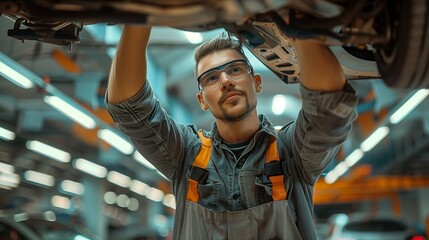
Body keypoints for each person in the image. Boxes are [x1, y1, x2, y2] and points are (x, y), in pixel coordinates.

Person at [106, 25, 358, 239]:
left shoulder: (291, 152)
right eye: (211, 78)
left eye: (235, 69)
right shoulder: (186, 154)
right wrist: (138, 21)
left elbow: (330, 109)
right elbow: (129, 107)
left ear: (256, 82)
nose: (226, 80)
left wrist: (297, 23)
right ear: (202, 100)